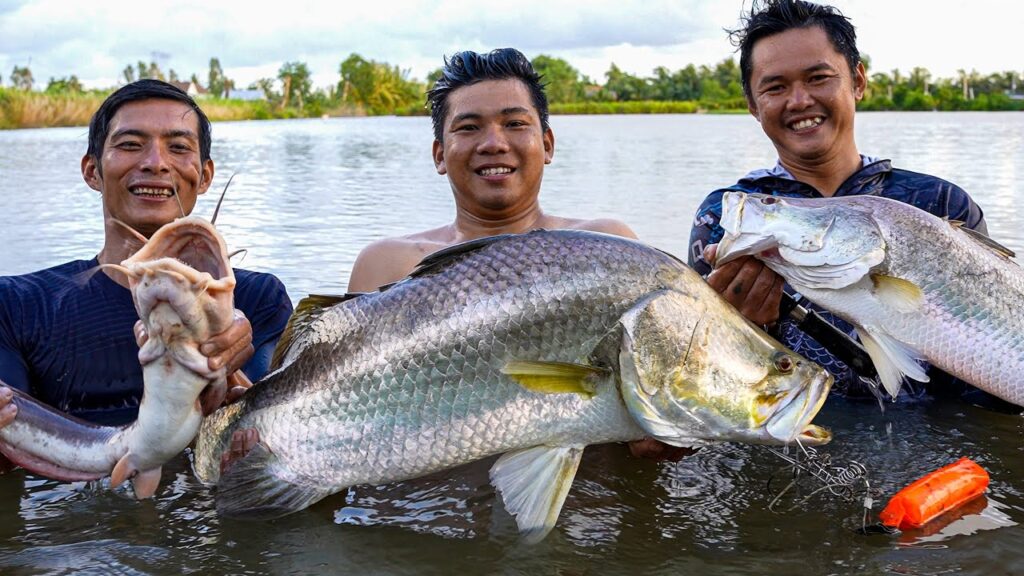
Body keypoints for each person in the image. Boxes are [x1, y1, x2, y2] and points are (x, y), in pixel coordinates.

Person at [345, 48, 689, 461]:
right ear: (440, 154)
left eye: (515, 123)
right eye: (469, 128)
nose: (494, 143)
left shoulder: (608, 246)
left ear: (546, 143)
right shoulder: (389, 264)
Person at [688, 0, 999, 404]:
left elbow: (987, 393)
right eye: (775, 87)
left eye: (818, 78)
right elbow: (700, 382)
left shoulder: (940, 204)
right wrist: (743, 331)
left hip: (940, 450)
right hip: (803, 445)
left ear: (857, 81)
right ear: (752, 103)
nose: (799, 101)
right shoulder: (725, 217)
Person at [0, 80, 293, 472]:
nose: (156, 162)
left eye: (178, 147)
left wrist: (229, 370)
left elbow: (288, 436)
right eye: (130, 144)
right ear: (92, 170)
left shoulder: (259, 298)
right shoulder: (17, 304)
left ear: (204, 175)